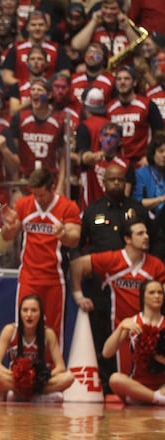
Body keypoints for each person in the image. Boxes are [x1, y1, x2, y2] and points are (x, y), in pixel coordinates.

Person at [71, 219, 165, 378]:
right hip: (121, 333)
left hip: (152, 333)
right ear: (127, 239)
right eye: (140, 233)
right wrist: (78, 295)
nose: (146, 237)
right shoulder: (112, 259)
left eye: (147, 233)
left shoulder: (155, 265)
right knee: (123, 378)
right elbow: (77, 265)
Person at [2, 168, 81, 344]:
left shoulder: (68, 207)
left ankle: (52, 369)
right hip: (29, 277)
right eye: (35, 194)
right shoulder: (24, 204)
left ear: (52, 188)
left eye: (42, 195)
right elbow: (7, 236)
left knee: (52, 331)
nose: (38, 199)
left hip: (54, 279)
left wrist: (63, 235)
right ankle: (23, 368)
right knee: (24, 328)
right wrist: (9, 227)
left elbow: (74, 239)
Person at [0, 294, 75, 402]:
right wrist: (17, 376)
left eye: (34, 310)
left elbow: (61, 367)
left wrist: (41, 377)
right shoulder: (10, 331)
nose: (29, 314)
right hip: (15, 382)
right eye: (25, 310)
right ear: (20, 313)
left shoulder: (48, 334)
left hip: (39, 383)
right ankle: (36, 397)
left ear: (41, 313)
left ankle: (24, 396)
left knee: (69, 377)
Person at [102, 280, 165, 405]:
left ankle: (156, 397)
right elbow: (106, 353)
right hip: (136, 386)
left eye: (160, 293)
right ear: (143, 297)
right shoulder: (132, 322)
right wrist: (121, 327)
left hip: (162, 387)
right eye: (152, 292)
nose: (157, 296)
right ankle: (156, 399)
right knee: (115, 379)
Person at [132, 133, 165, 262]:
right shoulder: (141, 173)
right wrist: (162, 199)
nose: (164, 155)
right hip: (150, 224)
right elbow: (138, 202)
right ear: (153, 153)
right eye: (161, 151)